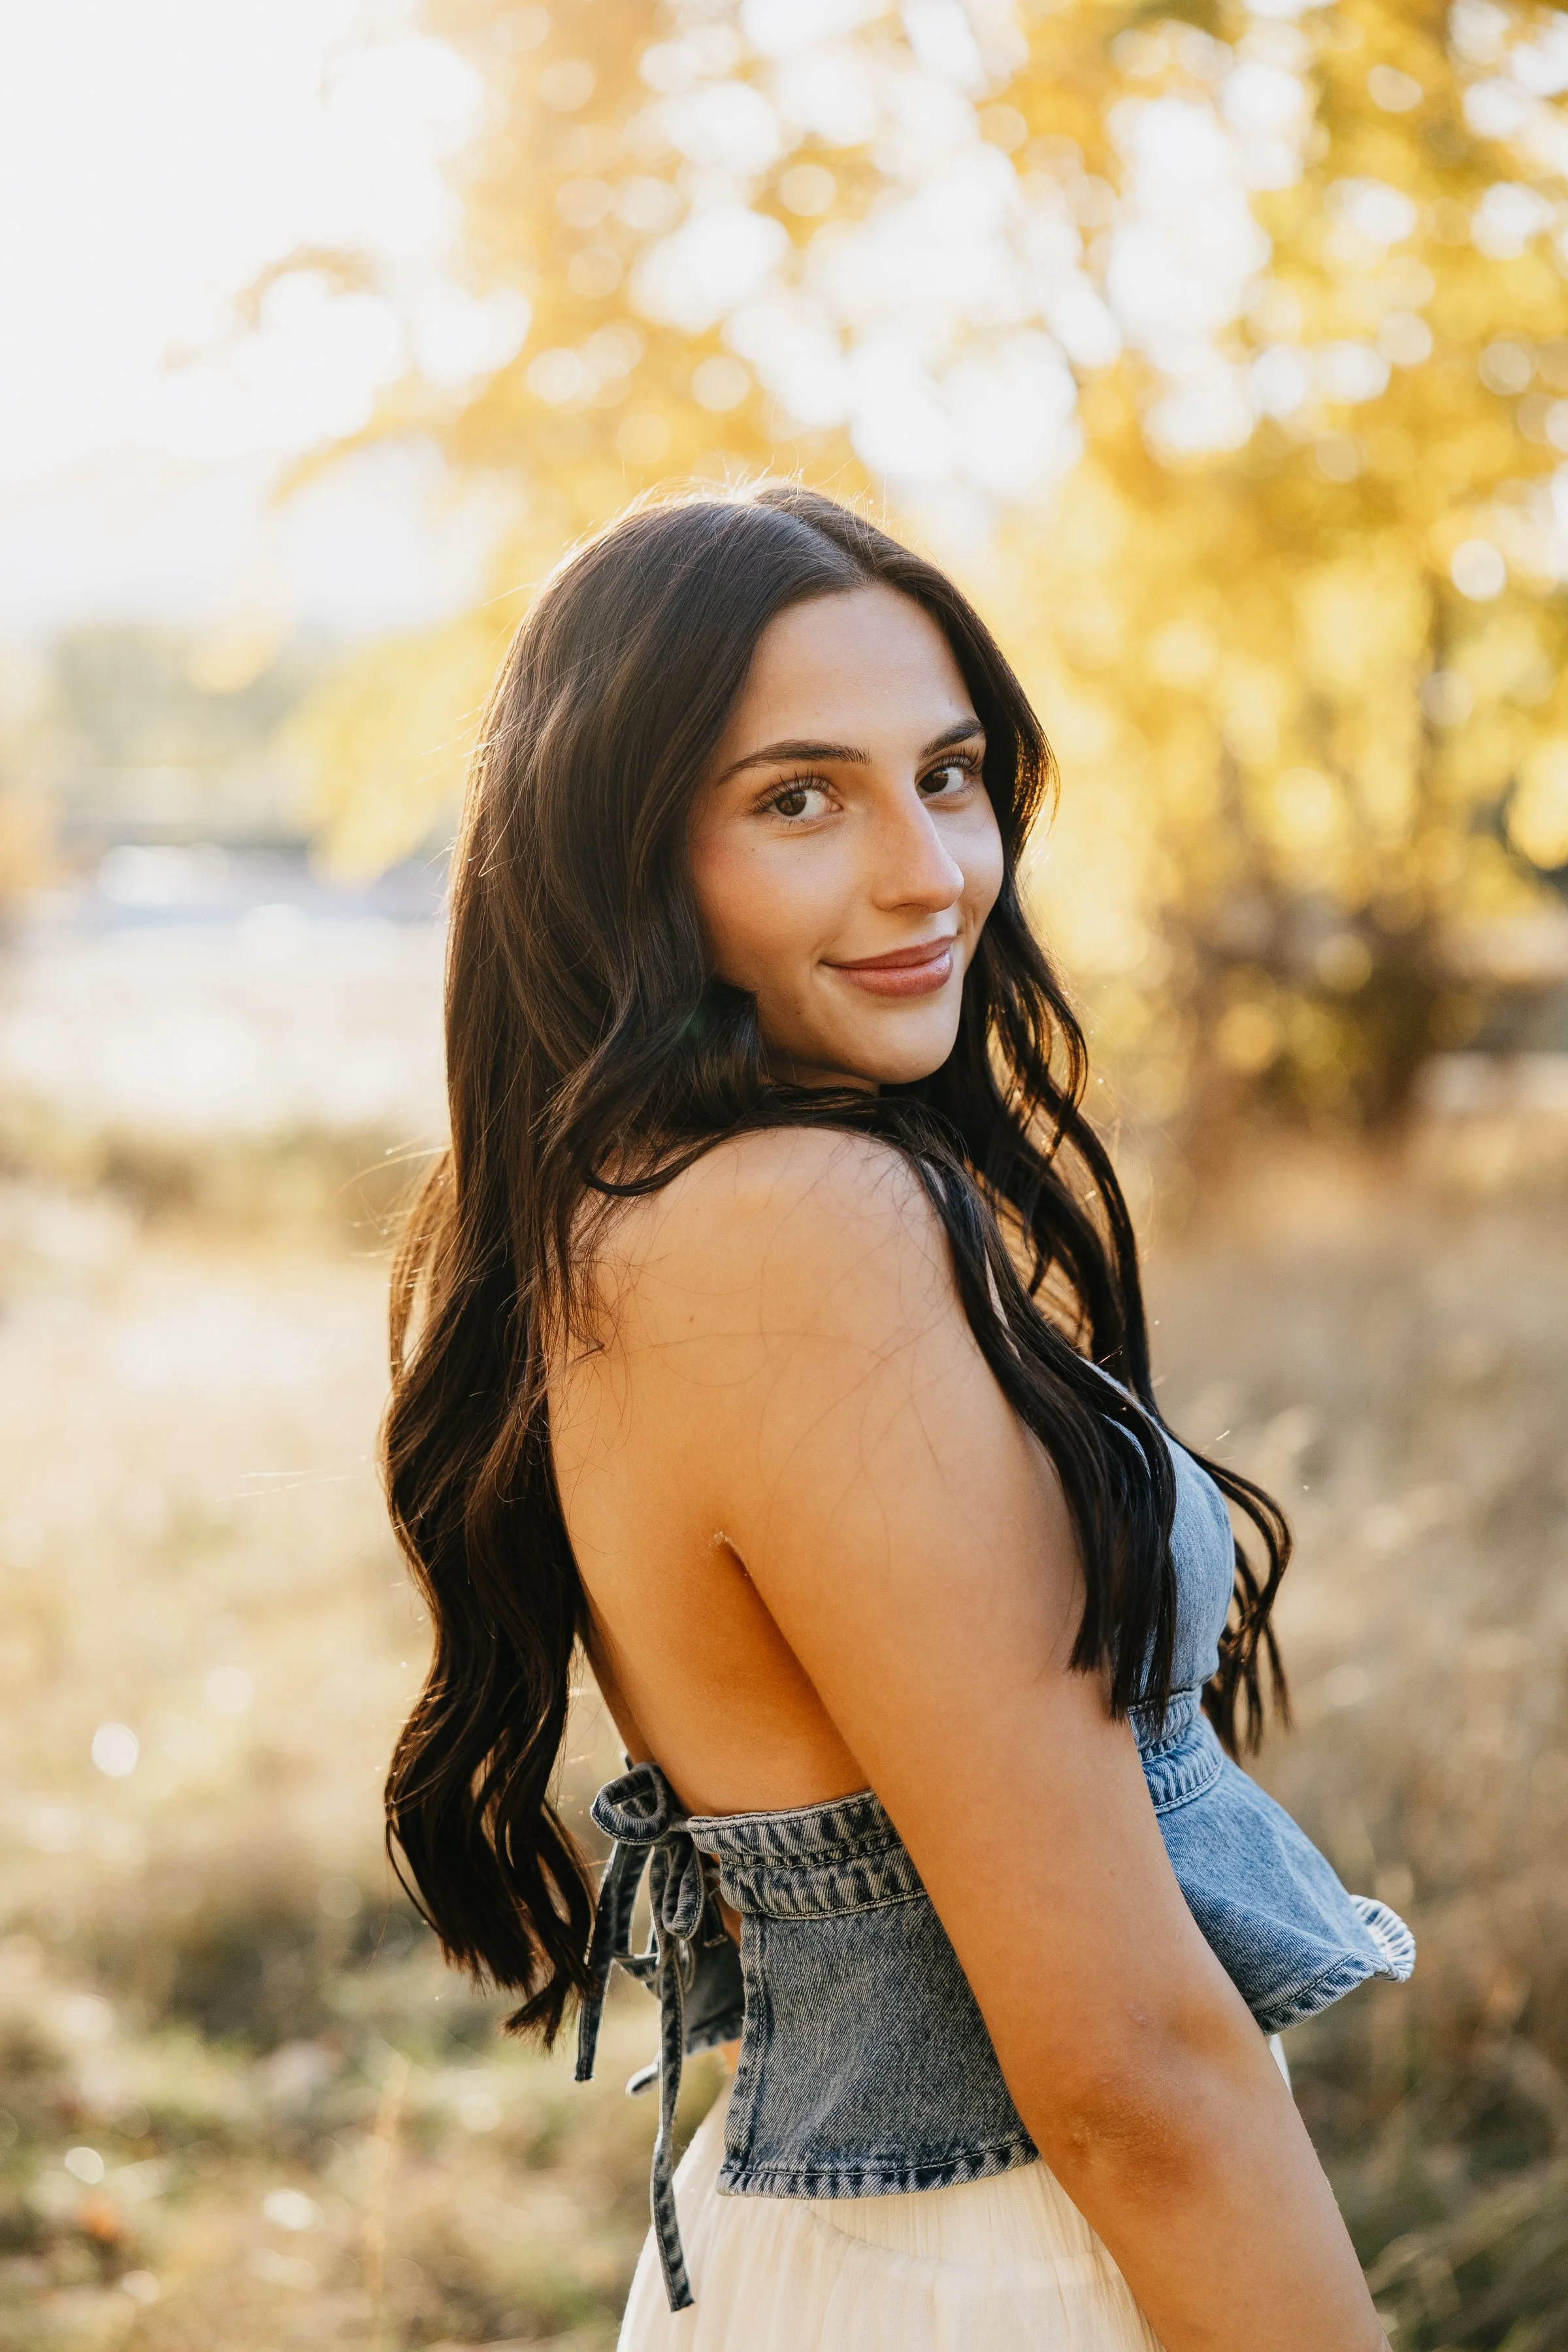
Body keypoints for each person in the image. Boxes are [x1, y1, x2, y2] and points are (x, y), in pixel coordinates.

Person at [382, 485, 1414, 2351]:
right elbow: (1121, 2071)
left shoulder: (639, 1205)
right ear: (626, 857)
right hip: (995, 2279)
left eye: (948, 774)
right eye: (799, 797)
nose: (930, 868)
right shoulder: (795, 1230)